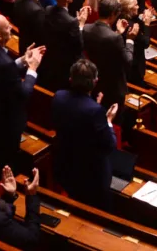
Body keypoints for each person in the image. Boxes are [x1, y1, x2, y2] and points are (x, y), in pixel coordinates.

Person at [0, 14, 44, 177]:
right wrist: (32, 68)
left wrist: (23, 61)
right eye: (7, 26)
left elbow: (2, 71)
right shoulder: (3, 64)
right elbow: (23, 94)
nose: (11, 27)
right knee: (5, 164)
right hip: (5, 126)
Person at [51, 59, 118, 209]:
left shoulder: (58, 97)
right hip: (92, 175)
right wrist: (107, 121)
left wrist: (95, 108)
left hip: (66, 165)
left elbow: (75, 117)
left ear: (70, 79)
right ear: (95, 82)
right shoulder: (96, 112)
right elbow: (109, 145)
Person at [83, 0, 132, 113]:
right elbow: (128, 61)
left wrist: (117, 33)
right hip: (113, 87)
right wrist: (130, 40)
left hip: (94, 82)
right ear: (113, 14)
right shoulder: (115, 38)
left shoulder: (86, 28)